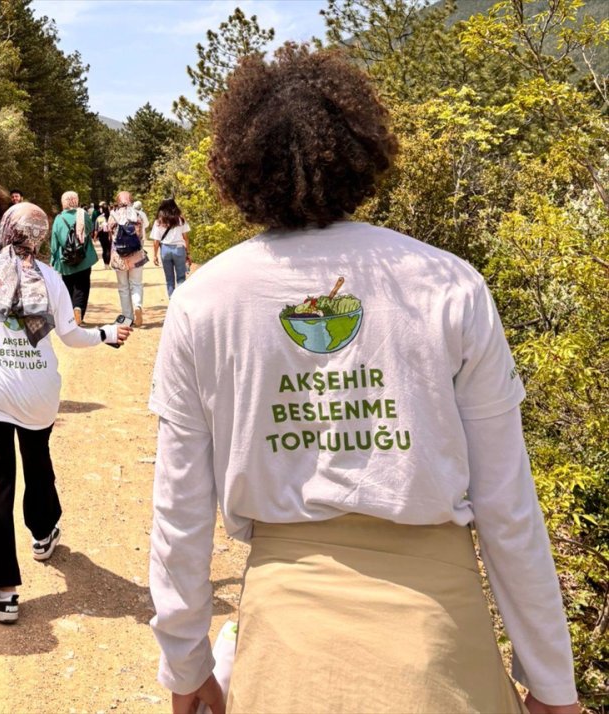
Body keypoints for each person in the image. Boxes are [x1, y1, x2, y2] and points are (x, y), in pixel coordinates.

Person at [148, 45, 579, 714]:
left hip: (285, 647)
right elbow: (508, 504)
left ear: (238, 165)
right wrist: (552, 684)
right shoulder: (447, 284)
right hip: (439, 640)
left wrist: (185, 663)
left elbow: (179, 510)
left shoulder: (204, 303)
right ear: (361, 151)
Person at [0, 202, 131, 624]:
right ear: (39, 236)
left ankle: (2, 593)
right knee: (37, 461)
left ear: (5, 231)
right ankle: (43, 532)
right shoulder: (52, 278)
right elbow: (70, 336)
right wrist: (106, 334)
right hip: (39, 392)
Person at [50, 191, 98, 325]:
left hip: (66, 261)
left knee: (68, 287)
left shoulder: (59, 219)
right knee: (82, 286)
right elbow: (89, 230)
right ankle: (79, 310)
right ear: (76, 201)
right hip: (84, 258)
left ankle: (70, 316)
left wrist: (53, 259)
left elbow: (54, 242)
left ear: (63, 202)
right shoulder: (83, 215)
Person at [107, 191, 147, 326]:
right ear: (131, 200)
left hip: (119, 256)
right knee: (136, 284)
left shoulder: (113, 215)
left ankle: (127, 317)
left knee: (123, 287)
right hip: (136, 255)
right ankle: (138, 306)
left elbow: (109, 234)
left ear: (118, 201)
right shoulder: (138, 215)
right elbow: (142, 234)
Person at [151, 198, 192, 298]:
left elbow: (156, 241)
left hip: (165, 249)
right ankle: (180, 301)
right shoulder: (180, 219)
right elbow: (185, 238)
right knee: (181, 277)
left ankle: (172, 300)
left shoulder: (158, 221)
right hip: (179, 249)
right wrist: (188, 253)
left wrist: (155, 255)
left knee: (169, 279)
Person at [95, 202, 112, 269]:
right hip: (110, 235)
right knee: (108, 250)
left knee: (104, 249)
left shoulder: (99, 218)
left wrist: (95, 237)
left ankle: (105, 264)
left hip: (102, 235)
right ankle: (108, 264)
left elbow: (96, 229)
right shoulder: (111, 217)